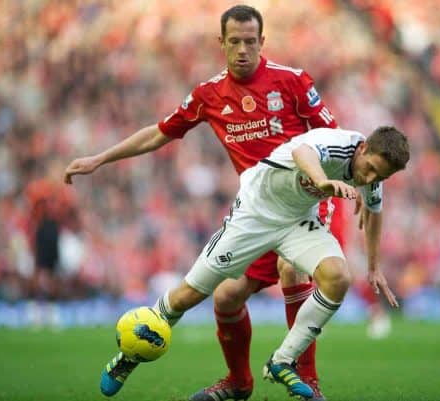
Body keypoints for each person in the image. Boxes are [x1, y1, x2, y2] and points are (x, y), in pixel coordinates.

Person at [64, 5, 340, 400]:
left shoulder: (293, 82)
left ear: (262, 42)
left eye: (250, 42)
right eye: (235, 42)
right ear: (221, 43)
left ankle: (307, 382)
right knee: (224, 296)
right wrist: (100, 158)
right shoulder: (209, 94)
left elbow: (340, 138)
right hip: (259, 213)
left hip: (305, 205)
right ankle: (237, 382)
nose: (243, 49)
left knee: (291, 270)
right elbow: (159, 133)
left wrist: (359, 186)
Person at [125, 126, 408, 400]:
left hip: (297, 221)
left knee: (338, 277)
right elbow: (302, 153)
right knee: (192, 292)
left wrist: (373, 267)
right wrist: (323, 181)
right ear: (363, 148)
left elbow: (374, 212)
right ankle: (129, 355)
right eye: (369, 168)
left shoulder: (373, 175)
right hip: (257, 212)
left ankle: (283, 361)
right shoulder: (336, 143)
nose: (369, 177)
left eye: (379, 175)